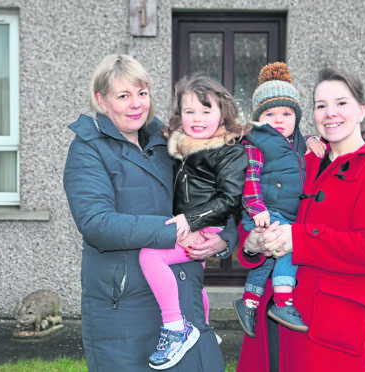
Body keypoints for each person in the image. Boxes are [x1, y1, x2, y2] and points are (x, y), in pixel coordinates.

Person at [63, 54, 238, 372]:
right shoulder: (88, 148)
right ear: (102, 100)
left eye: (142, 93)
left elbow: (212, 191)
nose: (136, 104)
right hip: (125, 310)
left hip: (184, 300)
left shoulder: (168, 140)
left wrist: (223, 240)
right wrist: (177, 230)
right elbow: (96, 223)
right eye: (123, 95)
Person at [235, 67, 365, 372]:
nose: (330, 113)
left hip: (327, 331)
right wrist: (251, 243)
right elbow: (258, 207)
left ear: (361, 111)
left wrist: (299, 239)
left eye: (341, 103)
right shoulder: (303, 159)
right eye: (321, 105)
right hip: (271, 317)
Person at [139, 75, 249, 370]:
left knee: (150, 256)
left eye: (206, 110)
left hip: (205, 224)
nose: (197, 119)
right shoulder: (179, 147)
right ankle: (202, 328)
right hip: (192, 223)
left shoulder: (230, 150)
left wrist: (191, 220)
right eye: (189, 111)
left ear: (223, 113)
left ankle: (176, 328)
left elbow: (229, 199)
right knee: (195, 282)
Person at [233, 62, 309, 338]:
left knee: (266, 259)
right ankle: (283, 303)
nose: (279, 119)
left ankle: (250, 302)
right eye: (270, 113)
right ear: (258, 118)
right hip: (265, 210)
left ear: (296, 118)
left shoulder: (298, 142)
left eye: (287, 113)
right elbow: (250, 178)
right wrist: (256, 210)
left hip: (284, 211)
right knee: (288, 249)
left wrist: (313, 141)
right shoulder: (256, 143)